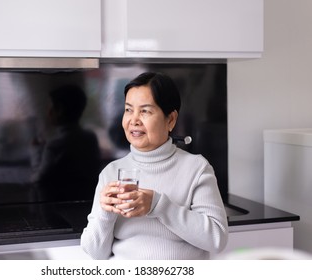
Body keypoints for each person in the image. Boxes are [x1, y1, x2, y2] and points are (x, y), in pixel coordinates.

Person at [80, 72, 228, 259]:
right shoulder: (111, 173)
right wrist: (105, 212)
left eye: (145, 111)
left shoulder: (197, 169)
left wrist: (158, 205)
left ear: (171, 120)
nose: (134, 120)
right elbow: (95, 253)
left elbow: (217, 239)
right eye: (128, 110)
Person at [30, 85, 101, 202]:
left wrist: (36, 151)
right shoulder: (90, 137)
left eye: (50, 107)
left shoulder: (56, 145)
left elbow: (38, 179)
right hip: (88, 201)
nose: (48, 112)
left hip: (60, 206)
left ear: (60, 110)